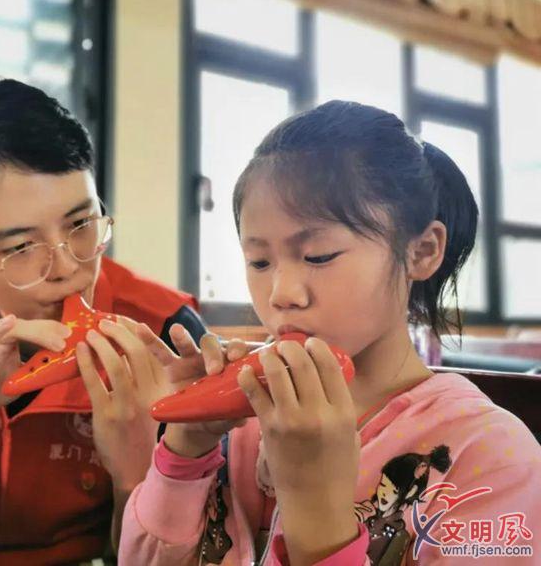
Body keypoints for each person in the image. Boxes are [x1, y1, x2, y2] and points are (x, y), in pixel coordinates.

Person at [118, 101, 541, 565]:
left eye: (318, 256)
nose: (281, 293)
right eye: (259, 261)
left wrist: (317, 515)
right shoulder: (244, 425)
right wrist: (184, 452)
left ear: (421, 251)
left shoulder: (491, 455)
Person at [0, 78, 207, 564]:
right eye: (21, 247)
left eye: (81, 224)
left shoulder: (168, 332)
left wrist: (138, 469)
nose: (66, 267)